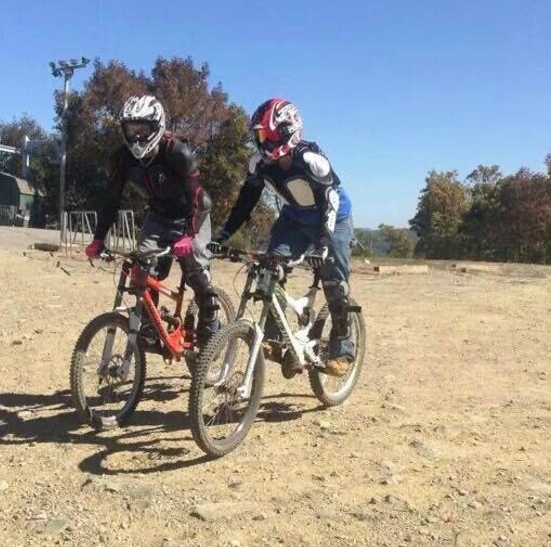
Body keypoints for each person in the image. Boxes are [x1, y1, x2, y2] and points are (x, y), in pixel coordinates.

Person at [209, 98, 355, 377]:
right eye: (259, 135)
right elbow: (245, 202)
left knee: (334, 281)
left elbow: (329, 202)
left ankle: (343, 348)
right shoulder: (260, 165)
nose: (262, 141)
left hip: (333, 219)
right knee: (268, 268)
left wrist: (323, 244)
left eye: (268, 134)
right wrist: (225, 234)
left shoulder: (312, 160)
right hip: (295, 218)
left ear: (288, 131)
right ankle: (276, 338)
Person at [83, 95, 221, 348]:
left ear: (157, 127)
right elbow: (111, 198)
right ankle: (149, 324)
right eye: (131, 129)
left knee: (195, 269)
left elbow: (200, 199)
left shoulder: (177, 153)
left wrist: (189, 234)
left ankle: (210, 318)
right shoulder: (121, 158)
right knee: (142, 269)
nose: (136, 136)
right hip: (158, 216)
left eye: (143, 129)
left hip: (193, 215)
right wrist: (99, 238)